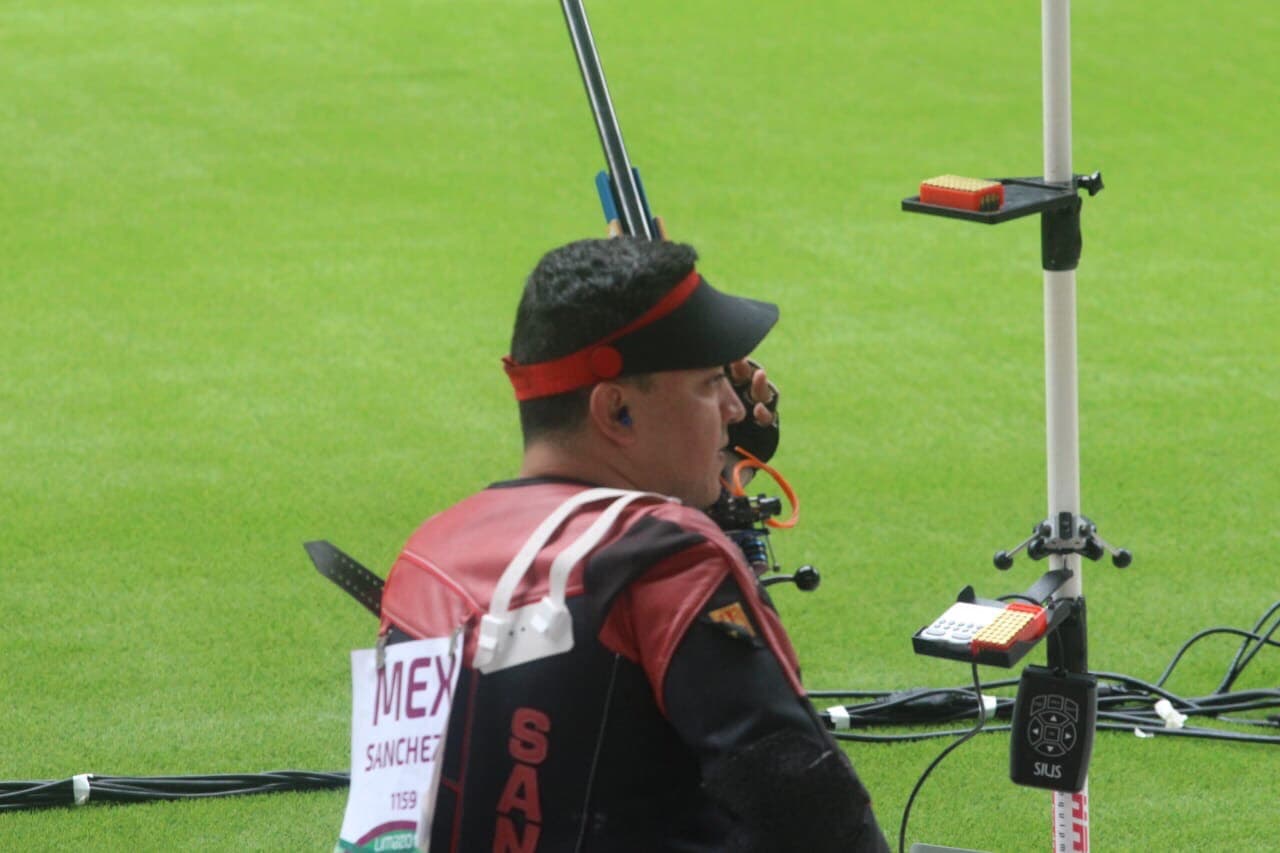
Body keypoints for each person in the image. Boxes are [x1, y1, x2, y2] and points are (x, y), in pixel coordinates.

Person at [379, 237, 889, 852]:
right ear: (616, 410)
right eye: (709, 383)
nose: (733, 408)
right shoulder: (663, 558)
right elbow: (813, 816)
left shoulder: (427, 555)